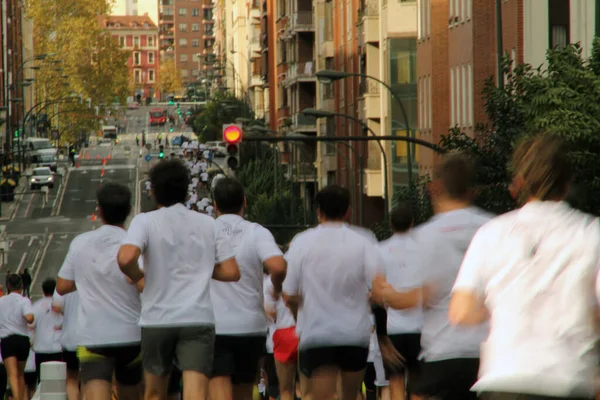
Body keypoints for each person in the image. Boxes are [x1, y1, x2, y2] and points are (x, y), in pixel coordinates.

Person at [449, 135, 600, 400]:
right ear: (567, 182)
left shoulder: (492, 232)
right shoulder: (591, 233)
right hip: (567, 378)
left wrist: (498, 306)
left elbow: (460, 310)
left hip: (503, 376)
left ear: (519, 183)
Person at [117, 159, 240, 400]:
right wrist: (201, 266)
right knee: (196, 392)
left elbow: (125, 258)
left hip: (157, 319)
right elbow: (232, 271)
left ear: (153, 191)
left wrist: (139, 278)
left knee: (154, 392)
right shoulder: (208, 223)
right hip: (197, 318)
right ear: (187, 190)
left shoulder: (145, 221)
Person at [372, 153, 491, 400]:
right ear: (472, 190)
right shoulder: (493, 227)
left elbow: (421, 296)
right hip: (489, 353)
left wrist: (385, 294)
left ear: (434, 188)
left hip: (443, 353)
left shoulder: (425, 236)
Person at [282, 185, 385, 400]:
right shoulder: (364, 240)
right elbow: (378, 290)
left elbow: (289, 294)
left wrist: (298, 313)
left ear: (318, 211)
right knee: (351, 395)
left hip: (316, 334)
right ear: (348, 211)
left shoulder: (302, 242)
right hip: (354, 335)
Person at [57, 183, 143, 400]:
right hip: (132, 335)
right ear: (128, 210)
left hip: (94, 337)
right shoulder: (136, 245)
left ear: (99, 210)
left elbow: (62, 285)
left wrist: (88, 278)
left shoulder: (80, 243)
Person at [209, 178, 287, 400]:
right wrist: (277, 288)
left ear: (215, 205)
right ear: (244, 202)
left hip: (214, 325)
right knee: (244, 392)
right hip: (250, 327)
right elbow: (278, 266)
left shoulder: (207, 231)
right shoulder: (256, 232)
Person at [377, 204, 423, 400]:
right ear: (412, 223)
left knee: (395, 380)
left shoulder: (380, 250)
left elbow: (376, 293)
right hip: (421, 326)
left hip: (394, 327)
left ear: (390, 224)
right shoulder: (423, 249)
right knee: (419, 384)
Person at [0, 274, 35, 400]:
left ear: (8, 286)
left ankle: (16, 398)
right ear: (21, 285)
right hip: (22, 339)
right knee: (20, 374)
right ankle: (20, 397)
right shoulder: (24, 300)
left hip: (7, 340)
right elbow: (30, 318)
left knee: (12, 374)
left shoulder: (1, 301)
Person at [31, 279, 63, 383]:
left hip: (41, 348)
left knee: (43, 382)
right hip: (58, 347)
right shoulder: (61, 305)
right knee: (59, 381)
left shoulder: (36, 306)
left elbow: (31, 324)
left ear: (43, 290)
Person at [52, 291, 81, 400]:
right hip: (91, 336)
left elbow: (56, 305)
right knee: (91, 378)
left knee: (71, 378)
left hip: (71, 338)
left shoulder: (66, 279)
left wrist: (68, 312)